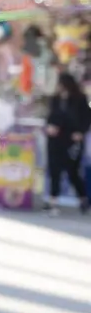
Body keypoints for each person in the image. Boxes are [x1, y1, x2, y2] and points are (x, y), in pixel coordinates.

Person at [44, 71, 91, 214]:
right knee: (54, 171)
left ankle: (84, 199)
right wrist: (50, 126)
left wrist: (80, 132)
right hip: (55, 139)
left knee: (73, 172)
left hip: (71, 140)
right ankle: (53, 202)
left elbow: (86, 118)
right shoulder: (56, 99)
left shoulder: (80, 99)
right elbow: (51, 116)